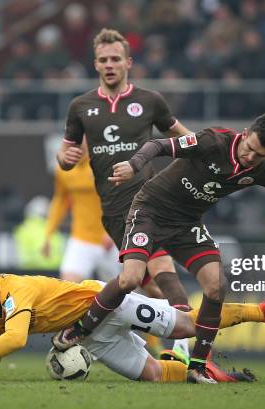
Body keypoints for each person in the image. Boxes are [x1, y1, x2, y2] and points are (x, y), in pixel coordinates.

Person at [65, 113, 265, 383]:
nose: (250, 157)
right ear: (245, 133)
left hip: (186, 224)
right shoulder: (212, 141)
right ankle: (79, 330)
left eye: (259, 154)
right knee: (131, 279)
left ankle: (197, 366)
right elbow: (159, 146)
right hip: (151, 211)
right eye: (249, 147)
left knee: (216, 286)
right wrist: (134, 165)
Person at [0, 251, 265, 382]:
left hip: (107, 302)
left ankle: (263, 310)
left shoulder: (14, 291)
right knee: (152, 375)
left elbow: (17, 340)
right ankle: (203, 371)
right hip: (89, 335)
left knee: (187, 324)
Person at [56, 28, 193, 359]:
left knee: (162, 270)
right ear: (95, 64)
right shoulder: (81, 106)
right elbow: (64, 155)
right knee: (146, 283)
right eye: (103, 60)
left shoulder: (149, 101)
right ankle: (190, 333)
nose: (109, 65)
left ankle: (187, 348)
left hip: (148, 202)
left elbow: (182, 136)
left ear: (128, 62)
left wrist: (207, 148)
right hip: (114, 212)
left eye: (115, 59)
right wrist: (66, 159)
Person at [42, 141, 119, 283]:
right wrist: (48, 234)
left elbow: (119, 197)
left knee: (123, 291)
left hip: (111, 240)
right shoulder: (63, 170)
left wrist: (111, 230)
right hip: (81, 238)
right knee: (68, 286)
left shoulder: (103, 163)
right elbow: (60, 201)